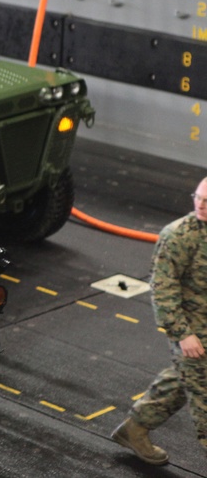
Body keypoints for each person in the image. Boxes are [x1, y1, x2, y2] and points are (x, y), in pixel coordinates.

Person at [111, 176, 207, 465]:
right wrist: (181, 334)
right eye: (198, 198)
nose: (201, 205)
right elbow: (163, 289)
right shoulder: (179, 236)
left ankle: (135, 428)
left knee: (182, 380)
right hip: (192, 329)